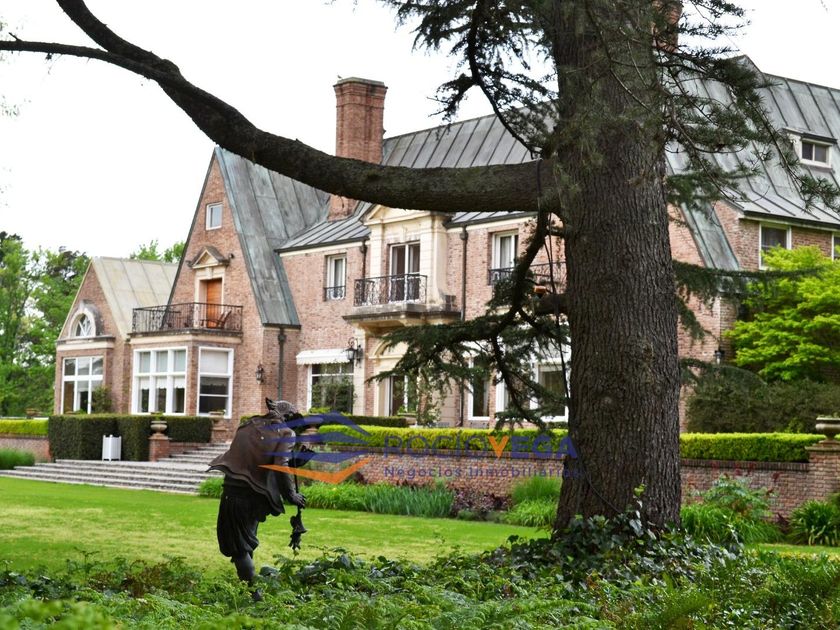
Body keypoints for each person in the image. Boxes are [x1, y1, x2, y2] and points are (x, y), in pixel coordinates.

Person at [208, 399, 306, 599]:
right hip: (253, 494)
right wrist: (291, 495)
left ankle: (250, 592)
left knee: (242, 544)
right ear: (287, 416)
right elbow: (280, 466)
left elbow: (255, 459)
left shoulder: (247, 425)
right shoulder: (286, 433)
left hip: (233, 490)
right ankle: (255, 595)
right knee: (241, 546)